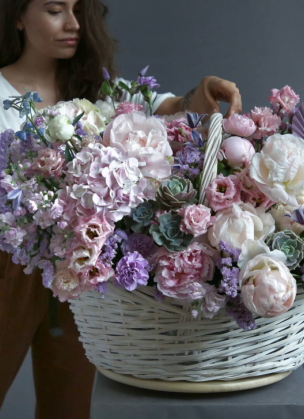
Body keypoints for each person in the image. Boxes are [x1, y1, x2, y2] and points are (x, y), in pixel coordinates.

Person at [0, 1, 242, 418]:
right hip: (9, 269)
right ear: (18, 16)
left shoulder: (96, 88)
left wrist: (199, 92)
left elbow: (164, 107)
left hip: (83, 272)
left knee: (72, 405)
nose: (73, 23)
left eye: (79, 10)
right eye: (56, 10)